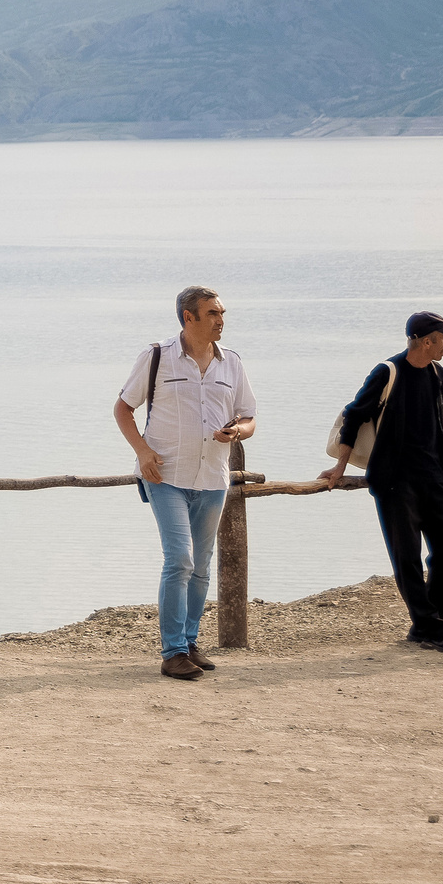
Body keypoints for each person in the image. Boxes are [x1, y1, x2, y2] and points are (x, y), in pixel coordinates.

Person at [112, 286, 256, 682]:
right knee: (180, 560)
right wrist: (142, 452)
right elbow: (124, 407)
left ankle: (190, 643)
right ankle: (172, 652)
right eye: (212, 313)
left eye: (222, 312)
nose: (221, 320)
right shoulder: (156, 357)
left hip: (212, 477)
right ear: (188, 317)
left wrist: (238, 431)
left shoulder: (232, 363)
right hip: (166, 476)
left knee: (201, 566)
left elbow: (249, 417)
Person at [324, 312, 443, 652]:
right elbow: (355, 416)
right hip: (395, 481)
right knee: (407, 557)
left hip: (435, 478)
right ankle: (429, 626)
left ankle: (430, 624)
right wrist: (339, 468)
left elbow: (437, 430)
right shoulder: (387, 372)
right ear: (425, 340)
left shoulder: (439, 375)